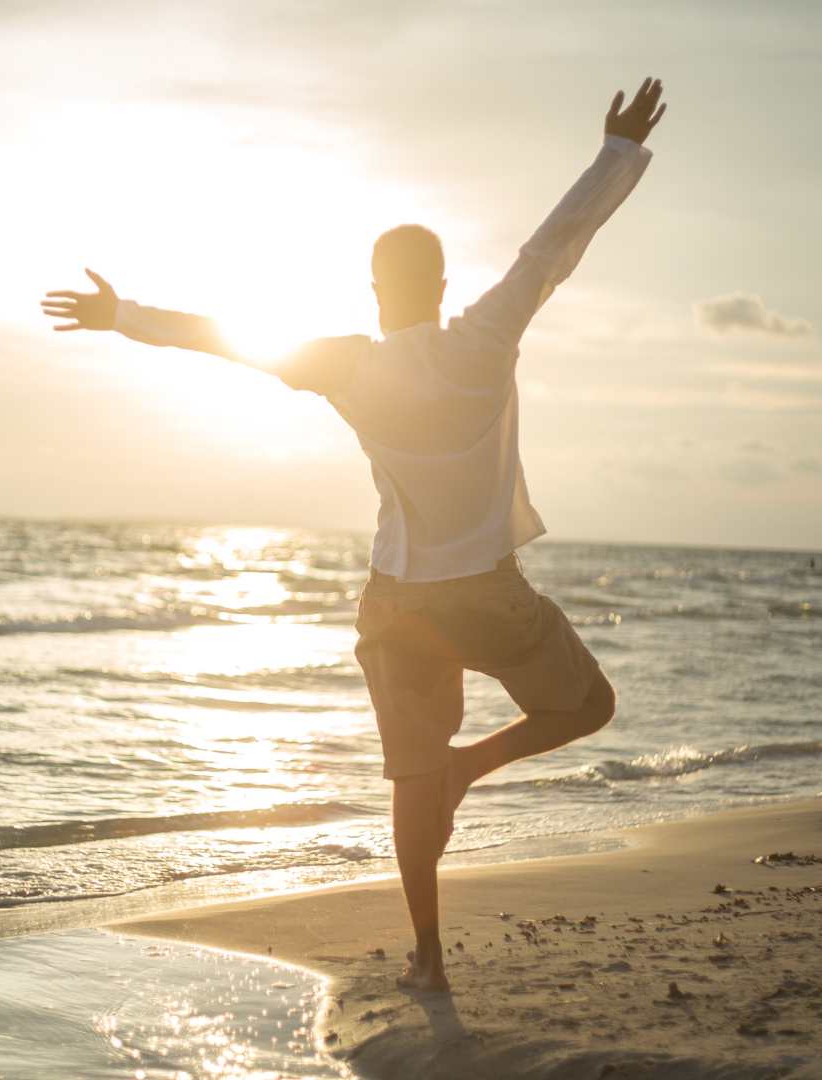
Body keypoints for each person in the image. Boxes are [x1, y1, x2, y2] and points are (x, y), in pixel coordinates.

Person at [41, 78, 667, 992]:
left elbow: (222, 338)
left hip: (397, 600)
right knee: (588, 706)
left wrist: (120, 314)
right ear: (443, 287)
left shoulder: (346, 364)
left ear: (376, 291)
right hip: (489, 593)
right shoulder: (485, 336)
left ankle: (429, 960)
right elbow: (551, 249)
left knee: (411, 780)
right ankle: (472, 769)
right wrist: (617, 149)